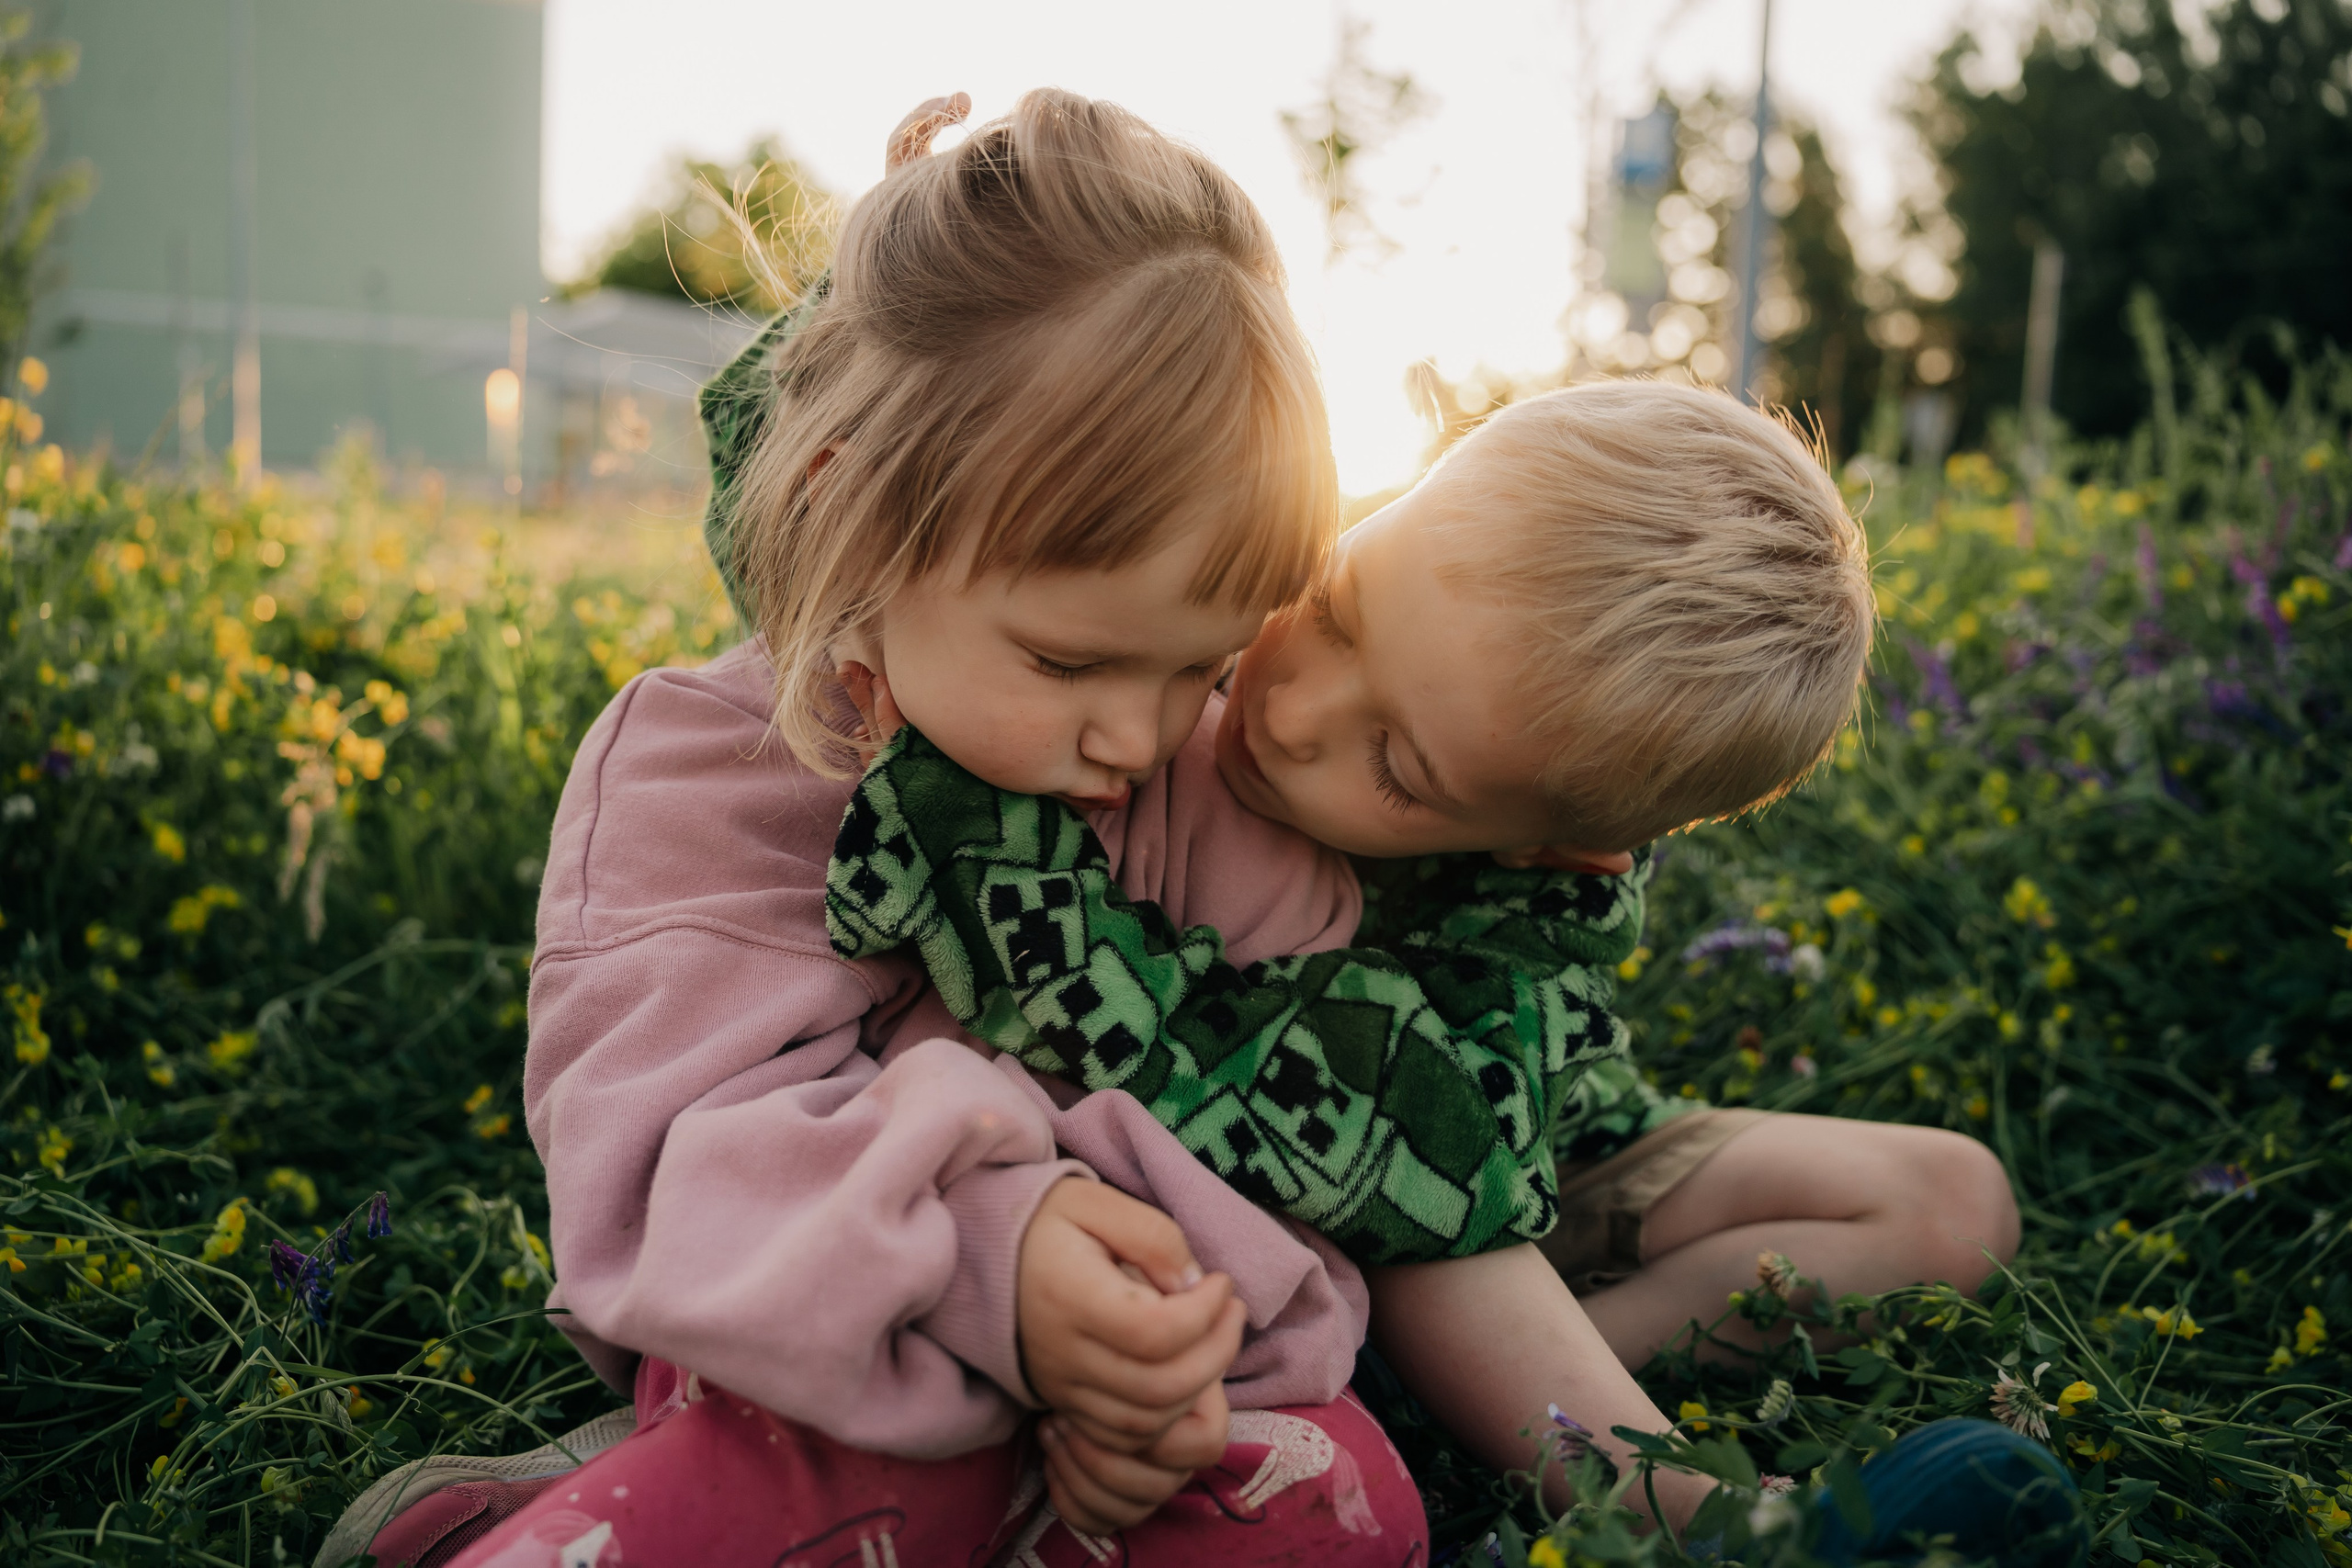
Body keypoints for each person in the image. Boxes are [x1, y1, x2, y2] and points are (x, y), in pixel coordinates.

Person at [347, 89, 1428, 1568]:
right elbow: (673, 1149)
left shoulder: (1218, 792)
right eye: (1067, 662)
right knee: (837, 1482)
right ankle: (630, 1503)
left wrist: (1167, 1342)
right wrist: (999, 1252)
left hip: (1142, 1424)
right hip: (827, 1354)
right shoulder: (709, 770)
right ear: (850, 515)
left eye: (1203, 662)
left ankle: (638, 1498)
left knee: (1332, 1509)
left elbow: (1299, 1138)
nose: (1142, 734)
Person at [826, 379, 2025, 1531]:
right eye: (1338, 610)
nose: (1292, 710)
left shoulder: (1531, 937)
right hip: (1328, 1192)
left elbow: (1416, 1129)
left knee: (1951, 1200)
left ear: (1558, 850)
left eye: (1397, 768)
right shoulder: (1193, 621)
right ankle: (1680, 1513)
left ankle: (1543, 1398)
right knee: (1420, 1199)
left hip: (1467, 1144)